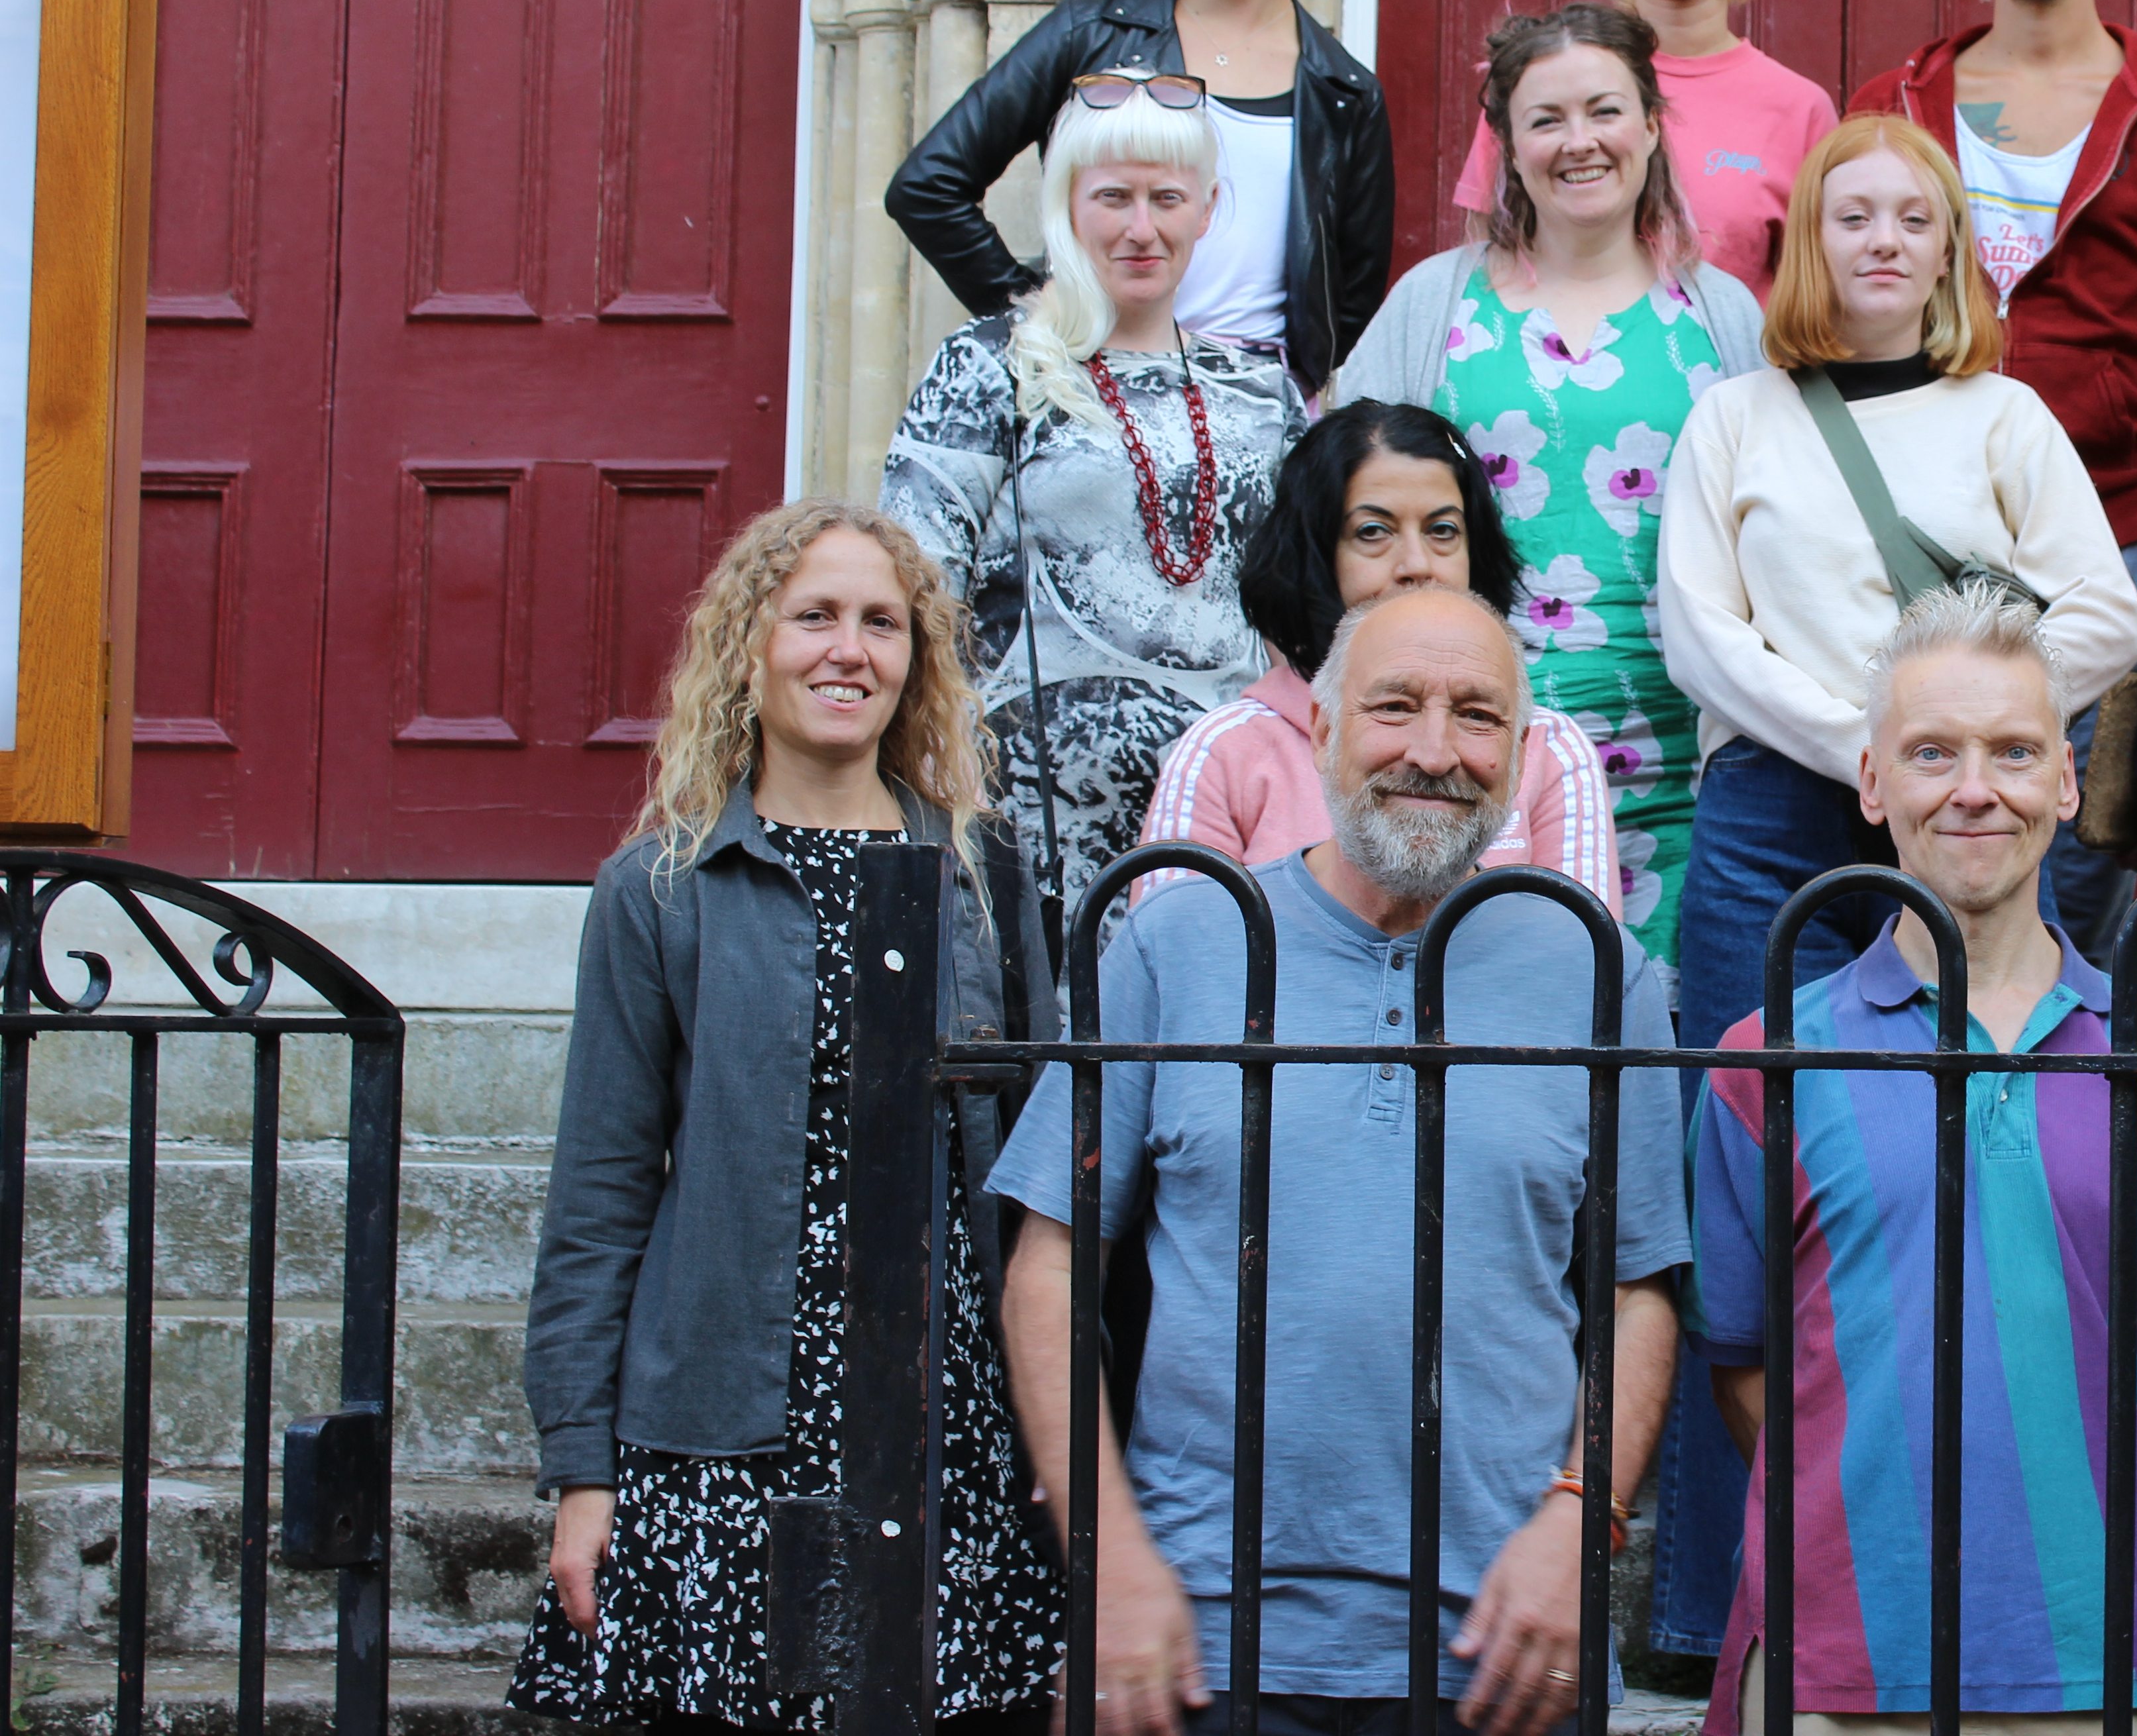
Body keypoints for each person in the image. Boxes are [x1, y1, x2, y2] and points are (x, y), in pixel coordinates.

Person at [991, 584, 1689, 1736]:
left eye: (1476, 717)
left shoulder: (1596, 970)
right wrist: (1105, 1553)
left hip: (1503, 1644)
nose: (1433, 751)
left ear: (1518, 756)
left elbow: (1638, 1288)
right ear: (1316, 728)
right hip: (1198, 1640)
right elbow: (1048, 1265)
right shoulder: (1184, 939)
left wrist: (1579, 1523)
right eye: (1394, 706)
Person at [1645, 112, 2137, 1660]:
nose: (1878, 238)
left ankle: (1968, 1555)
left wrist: (1949, 746)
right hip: (1771, 822)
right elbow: (1697, 629)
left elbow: (2106, 615)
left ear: (1946, 247)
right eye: (1846, 212)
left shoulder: (2001, 418)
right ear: (1805, 241)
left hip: (1976, 818)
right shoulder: (1736, 416)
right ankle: (1702, 1601)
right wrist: (1869, 739)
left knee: (1980, 1149)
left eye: (1907, 216)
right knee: (1740, 1161)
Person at [513, 501, 1061, 1735]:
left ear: (916, 659)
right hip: (720, 1420)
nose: (847, 650)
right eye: (812, 616)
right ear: (748, 647)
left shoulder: (982, 874)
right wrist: (581, 1470)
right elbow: (599, 1194)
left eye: (882, 622)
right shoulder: (660, 889)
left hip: (945, 1414)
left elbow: (1041, 1169)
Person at [1688, 582, 2137, 1736]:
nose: (1974, 787)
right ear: (1872, 784)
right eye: (1931, 752)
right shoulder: (1766, 1058)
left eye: (2013, 750)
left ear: (2067, 781)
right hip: (1831, 1668)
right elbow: (1742, 1371)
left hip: (2088, 1674)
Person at [1847, 0, 2137, 962]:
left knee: (2078, 857)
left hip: (2109, 541)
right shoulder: (1894, 103)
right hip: (1915, 532)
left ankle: (2071, 1119)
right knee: (1923, 841)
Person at [1335, 2, 1769, 968]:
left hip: (1678, 757)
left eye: (1605, 111)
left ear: (1652, 127)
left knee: (1660, 1040)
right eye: (1546, 119)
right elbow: (1337, 493)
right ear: (1505, 144)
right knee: (1489, 1025)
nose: (1581, 142)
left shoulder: (1722, 314)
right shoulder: (1437, 303)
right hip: (1473, 749)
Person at [882, 77, 1306, 926]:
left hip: (1225, 805)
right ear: (1066, 205)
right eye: (1113, 197)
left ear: (1208, 210)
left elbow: (1306, 599)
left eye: (1167, 199)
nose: (1140, 228)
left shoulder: (1264, 388)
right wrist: (933, 768)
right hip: (1025, 813)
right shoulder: (987, 364)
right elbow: (912, 584)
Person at [884, 0, 1391, 392]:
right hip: (1100, 392)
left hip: (1263, 413)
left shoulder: (1345, 91)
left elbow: (1351, 297)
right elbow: (927, 187)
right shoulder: (1089, 35)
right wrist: (1036, 309)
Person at [1139, 399, 1621, 909]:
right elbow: (1174, 965)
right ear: (1317, 556)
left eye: (1443, 531)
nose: (1416, 565)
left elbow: (1582, 971)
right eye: (1373, 532)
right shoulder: (1224, 752)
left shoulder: (1549, 751)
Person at [1451, 0, 1837, 291]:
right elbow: (1485, 269)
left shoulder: (1799, 109)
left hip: (1737, 366)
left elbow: (1814, 298)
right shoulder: (1543, 81)